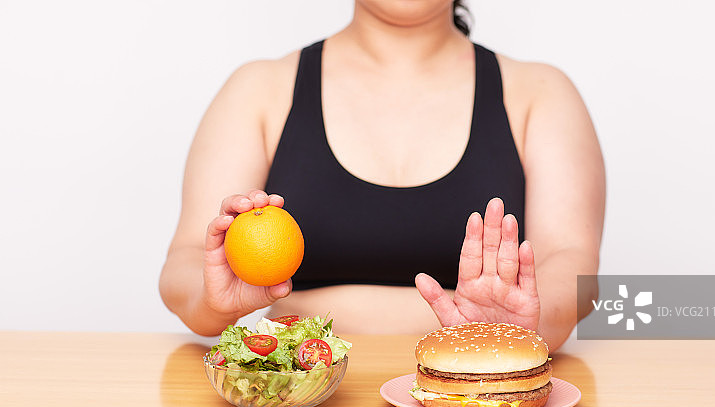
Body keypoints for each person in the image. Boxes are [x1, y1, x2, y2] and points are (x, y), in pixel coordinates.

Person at [159, 0, 605, 351]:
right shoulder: (258, 89)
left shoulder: (541, 94)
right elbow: (183, 264)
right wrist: (213, 302)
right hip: (301, 405)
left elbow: (573, 267)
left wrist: (526, 324)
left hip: (482, 401)